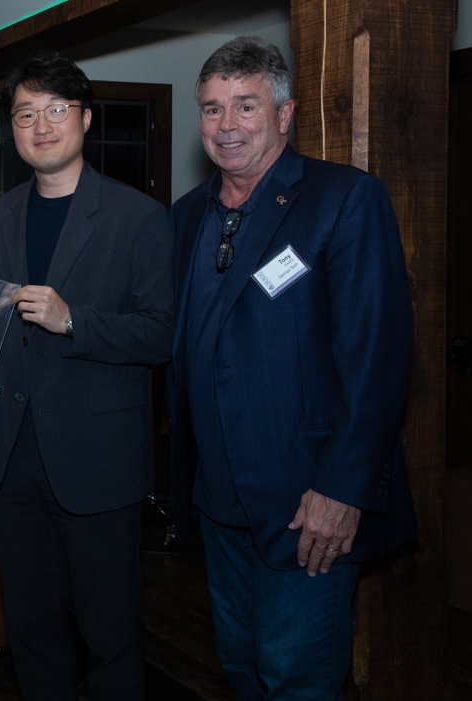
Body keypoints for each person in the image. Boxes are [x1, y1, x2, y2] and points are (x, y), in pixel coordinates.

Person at [168, 36, 418, 700]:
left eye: (246, 106)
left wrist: (343, 487)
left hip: (308, 503)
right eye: (213, 108)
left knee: (298, 678)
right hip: (218, 502)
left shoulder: (343, 199)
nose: (226, 126)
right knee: (244, 668)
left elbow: (379, 359)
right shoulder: (187, 216)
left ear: (285, 113)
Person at [0, 52, 174, 701]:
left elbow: (160, 333)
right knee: (33, 632)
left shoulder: (138, 218)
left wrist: (76, 321)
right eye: (25, 114)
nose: (41, 126)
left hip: (99, 464)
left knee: (111, 635)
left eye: (56, 111)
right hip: (12, 462)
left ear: (86, 119)